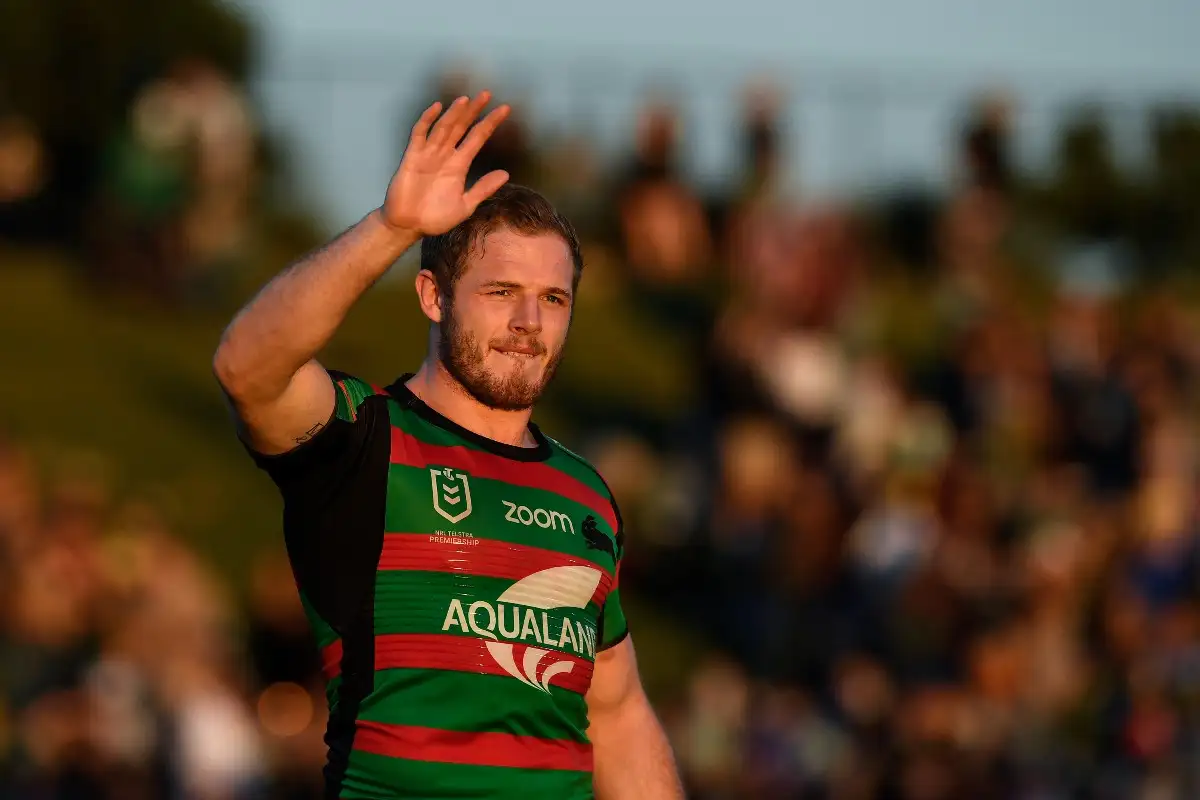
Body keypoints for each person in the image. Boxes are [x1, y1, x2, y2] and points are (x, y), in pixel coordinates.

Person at [213, 91, 685, 800]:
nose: (529, 321)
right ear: (433, 297)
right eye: (501, 291)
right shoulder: (366, 442)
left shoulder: (585, 494)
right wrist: (391, 227)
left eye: (553, 299)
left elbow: (616, 718)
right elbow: (246, 368)